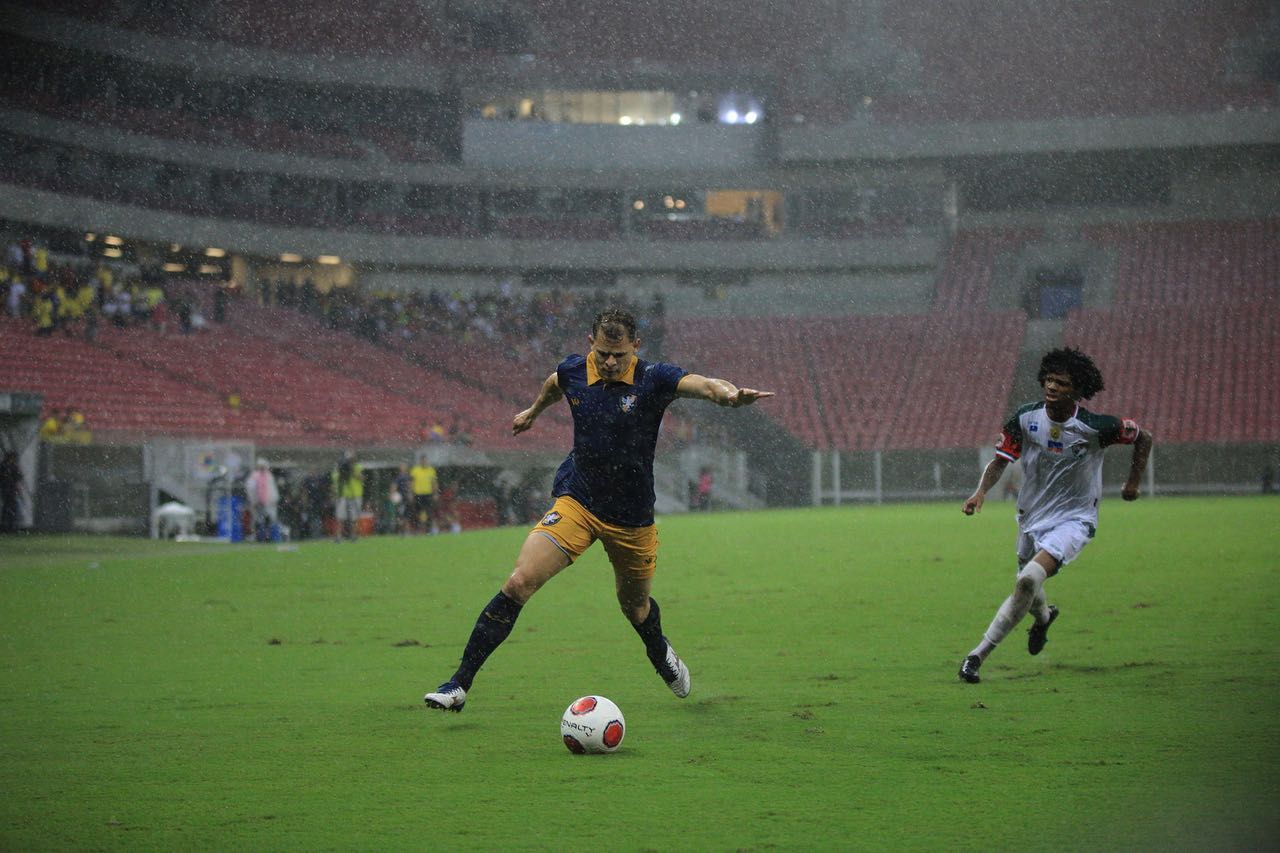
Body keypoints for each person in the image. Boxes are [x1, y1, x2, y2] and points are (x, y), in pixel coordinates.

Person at [424, 307, 773, 713]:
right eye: (602, 353)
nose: (609, 362)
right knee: (519, 582)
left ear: (636, 348)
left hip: (632, 517)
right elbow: (554, 383)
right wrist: (534, 411)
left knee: (636, 607)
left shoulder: (654, 378)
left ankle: (659, 651)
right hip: (579, 500)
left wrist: (729, 396)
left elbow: (705, 384)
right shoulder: (575, 370)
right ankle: (459, 684)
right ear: (591, 344)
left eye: (619, 355)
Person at [957, 348, 1153, 684]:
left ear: (1077, 390)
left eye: (1061, 383)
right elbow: (1001, 459)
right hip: (1030, 517)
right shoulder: (1026, 418)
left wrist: (1133, 482)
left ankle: (976, 656)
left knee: (1028, 580)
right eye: (1048, 379)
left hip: (1075, 520)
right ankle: (1044, 618)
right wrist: (981, 492)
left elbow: (1143, 437)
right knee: (1028, 588)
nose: (1051, 387)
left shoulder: (1096, 426)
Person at [244, 458, 280, 542]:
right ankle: (259, 536)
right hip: (258, 502)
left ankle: (267, 536)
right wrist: (254, 500)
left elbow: (272, 489)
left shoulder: (268, 475)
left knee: (268, 519)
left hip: (268, 502)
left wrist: (273, 499)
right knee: (259, 520)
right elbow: (251, 489)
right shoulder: (255, 476)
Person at [332, 451, 364, 541]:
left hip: (355, 494)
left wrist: (352, 470)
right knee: (340, 517)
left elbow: (361, 478)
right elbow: (335, 481)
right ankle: (338, 536)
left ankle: (353, 535)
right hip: (342, 494)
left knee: (354, 517)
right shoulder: (339, 468)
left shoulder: (357, 467)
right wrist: (342, 470)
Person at [409, 457, 438, 534]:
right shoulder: (415, 470)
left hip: (428, 494)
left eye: (425, 461)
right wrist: (411, 493)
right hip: (418, 494)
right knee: (418, 512)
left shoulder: (431, 470)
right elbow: (411, 482)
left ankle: (428, 529)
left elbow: (434, 482)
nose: (424, 462)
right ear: (420, 461)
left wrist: (435, 493)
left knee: (429, 512)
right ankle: (419, 529)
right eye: (423, 461)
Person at [0, 450, 24, 533]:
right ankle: (8, 526)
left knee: (10, 508)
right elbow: (17, 476)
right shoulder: (6, 466)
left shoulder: (10, 466)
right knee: (9, 508)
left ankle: (10, 526)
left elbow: (19, 476)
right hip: (8, 489)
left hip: (9, 490)